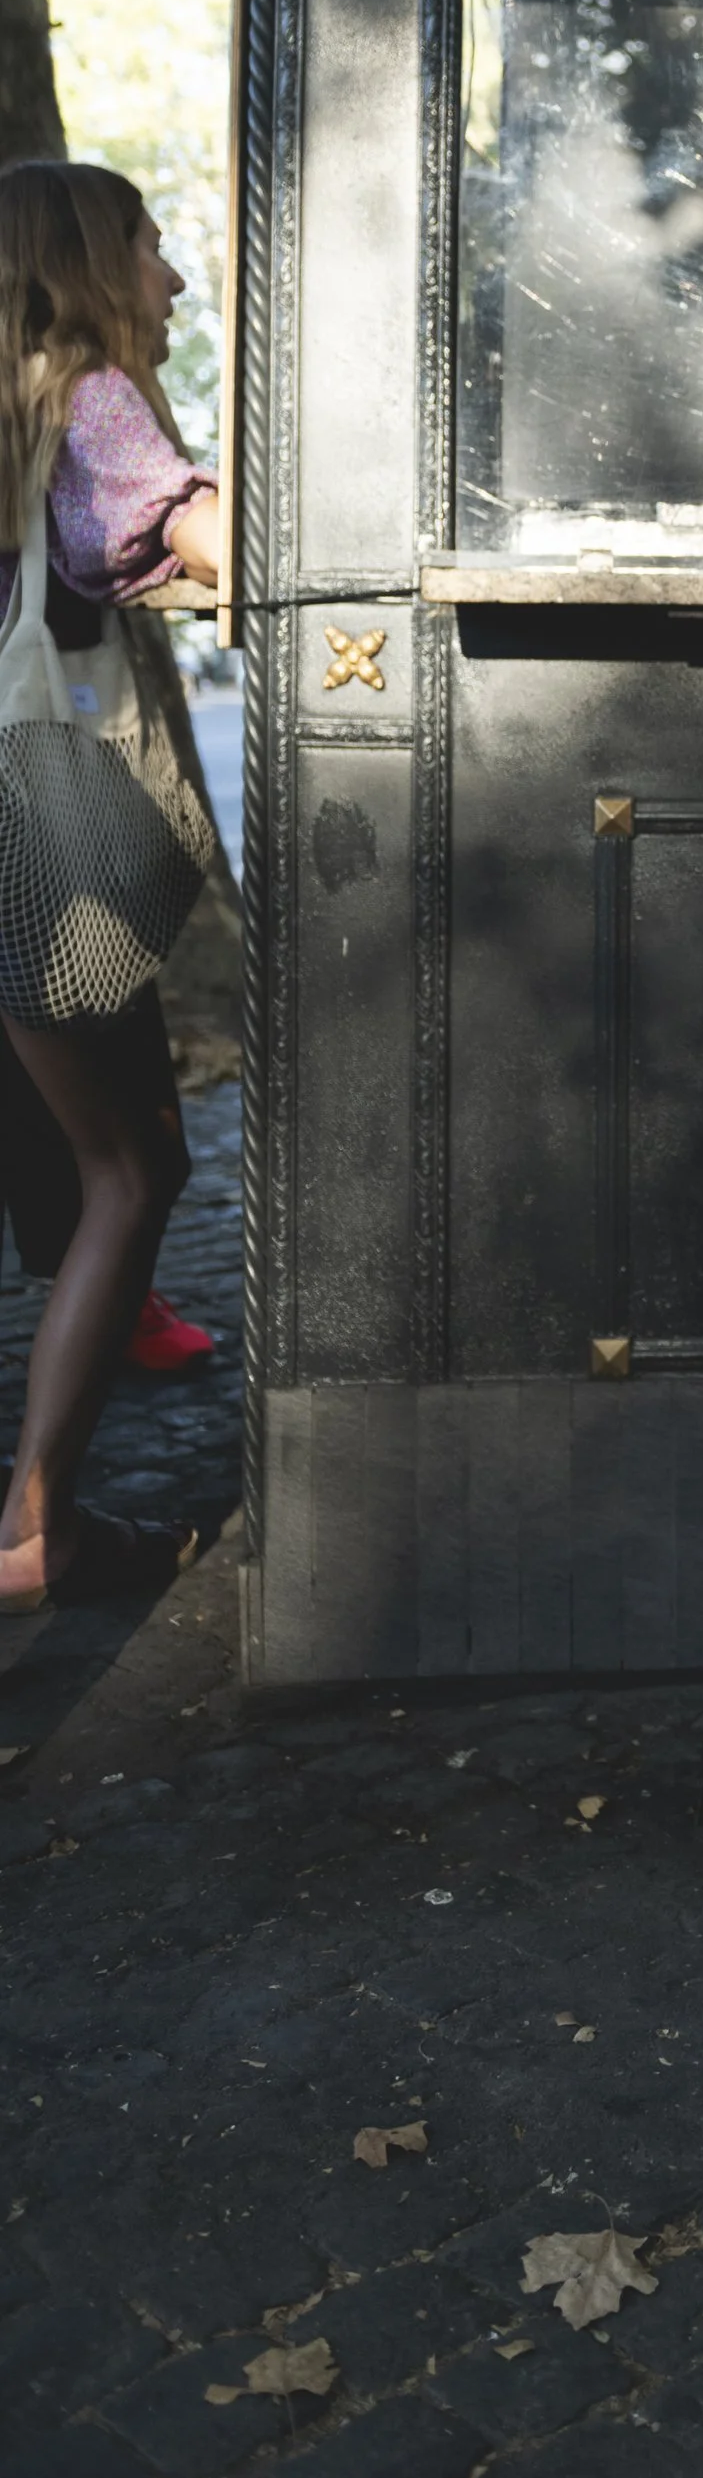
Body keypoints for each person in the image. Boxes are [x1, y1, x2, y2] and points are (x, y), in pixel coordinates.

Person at [0, 163, 222, 1609]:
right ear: (88, 262)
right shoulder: (90, 403)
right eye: (150, 246)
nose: (173, 278)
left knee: (114, 1166)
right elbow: (214, 543)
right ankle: (34, 1533)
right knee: (130, 1168)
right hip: (46, 839)